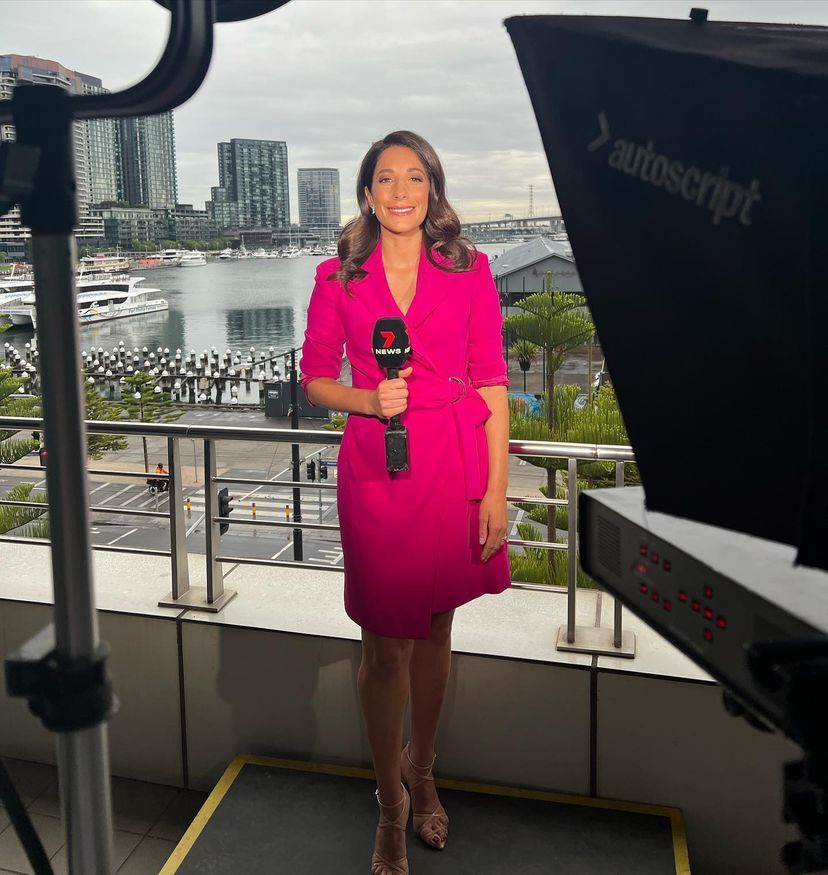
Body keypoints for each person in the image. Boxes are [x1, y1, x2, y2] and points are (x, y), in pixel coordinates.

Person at [299, 131, 510, 875]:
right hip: (378, 470)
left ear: (432, 190)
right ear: (367, 195)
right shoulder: (337, 278)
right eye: (385, 179)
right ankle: (390, 804)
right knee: (384, 643)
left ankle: (424, 772)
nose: (399, 191)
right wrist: (367, 399)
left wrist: (495, 489)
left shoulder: (470, 270)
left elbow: (492, 379)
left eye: (414, 177)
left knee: (438, 625)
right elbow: (314, 378)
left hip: (453, 462)